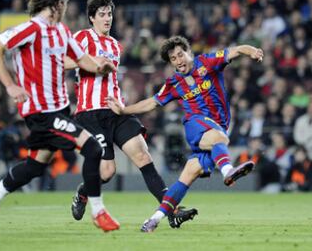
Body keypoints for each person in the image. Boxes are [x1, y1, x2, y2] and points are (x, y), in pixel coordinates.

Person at [0, 0, 119, 233]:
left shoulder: (62, 32)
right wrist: (10, 85)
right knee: (93, 148)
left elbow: (81, 59)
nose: (66, 7)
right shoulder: (31, 29)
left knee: (35, 165)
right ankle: (98, 212)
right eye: (64, 2)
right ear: (56, 3)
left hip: (59, 109)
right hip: (41, 112)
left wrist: (101, 67)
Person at [65, 0, 197, 228]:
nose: (108, 18)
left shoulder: (115, 45)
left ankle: (172, 210)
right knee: (107, 172)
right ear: (92, 18)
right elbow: (62, 61)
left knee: (143, 155)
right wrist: (91, 62)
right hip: (91, 113)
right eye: (102, 14)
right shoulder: (82, 38)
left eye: (110, 14)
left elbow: (109, 78)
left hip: (116, 111)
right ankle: (83, 193)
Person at [108, 36, 264, 232]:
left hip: (215, 128)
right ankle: (227, 171)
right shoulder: (173, 83)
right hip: (195, 125)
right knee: (220, 138)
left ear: (189, 52)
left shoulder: (207, 63)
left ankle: (153, 220)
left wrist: (251, 51)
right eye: (173, 58)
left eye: (180, 54)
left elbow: (236, 50)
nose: (178, 60)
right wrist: (123, 110)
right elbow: (152, 103)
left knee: (189, 173)